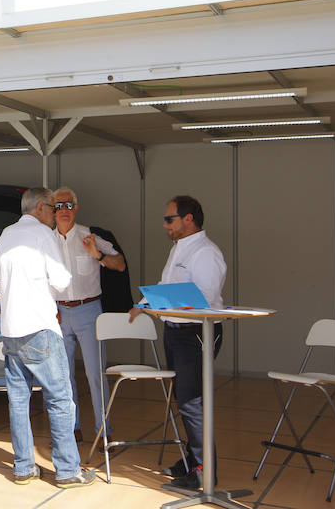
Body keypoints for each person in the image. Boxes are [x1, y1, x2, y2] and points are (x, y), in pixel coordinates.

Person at [0, 187, 95, 489]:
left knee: (18, 400)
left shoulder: (5, 236)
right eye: (53, 208)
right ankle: (67, 470)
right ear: (40, 208)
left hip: (10, 330)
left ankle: (23, 467)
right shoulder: (43, 235)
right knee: (61, 399)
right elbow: (63, 282)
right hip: (39, 327)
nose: (55, 214)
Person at [129, 195, 226, 490]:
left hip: (196, 334)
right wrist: (144, 303)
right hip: (175, 331)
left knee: (192, 402)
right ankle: (191, 461)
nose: (164, 224)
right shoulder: (179, 248)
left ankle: (202, 471)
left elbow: (205, 299)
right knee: (184, 401)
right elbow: (166, 286)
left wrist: (162, 302)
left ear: (188, 219)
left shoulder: (206, 252)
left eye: (169, 219)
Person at [52, 187, 126, 444]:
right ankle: (72, 428)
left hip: (88, 310)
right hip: (58, 312)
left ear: (76, 208)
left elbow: (120, 264)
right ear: (52, 210)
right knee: (64, 375)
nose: (64, 210)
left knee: (95, 374)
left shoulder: (89, 236)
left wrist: (98, 255)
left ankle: (104, 432)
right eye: (58, 206)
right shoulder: (46, 241)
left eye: (69, 205)